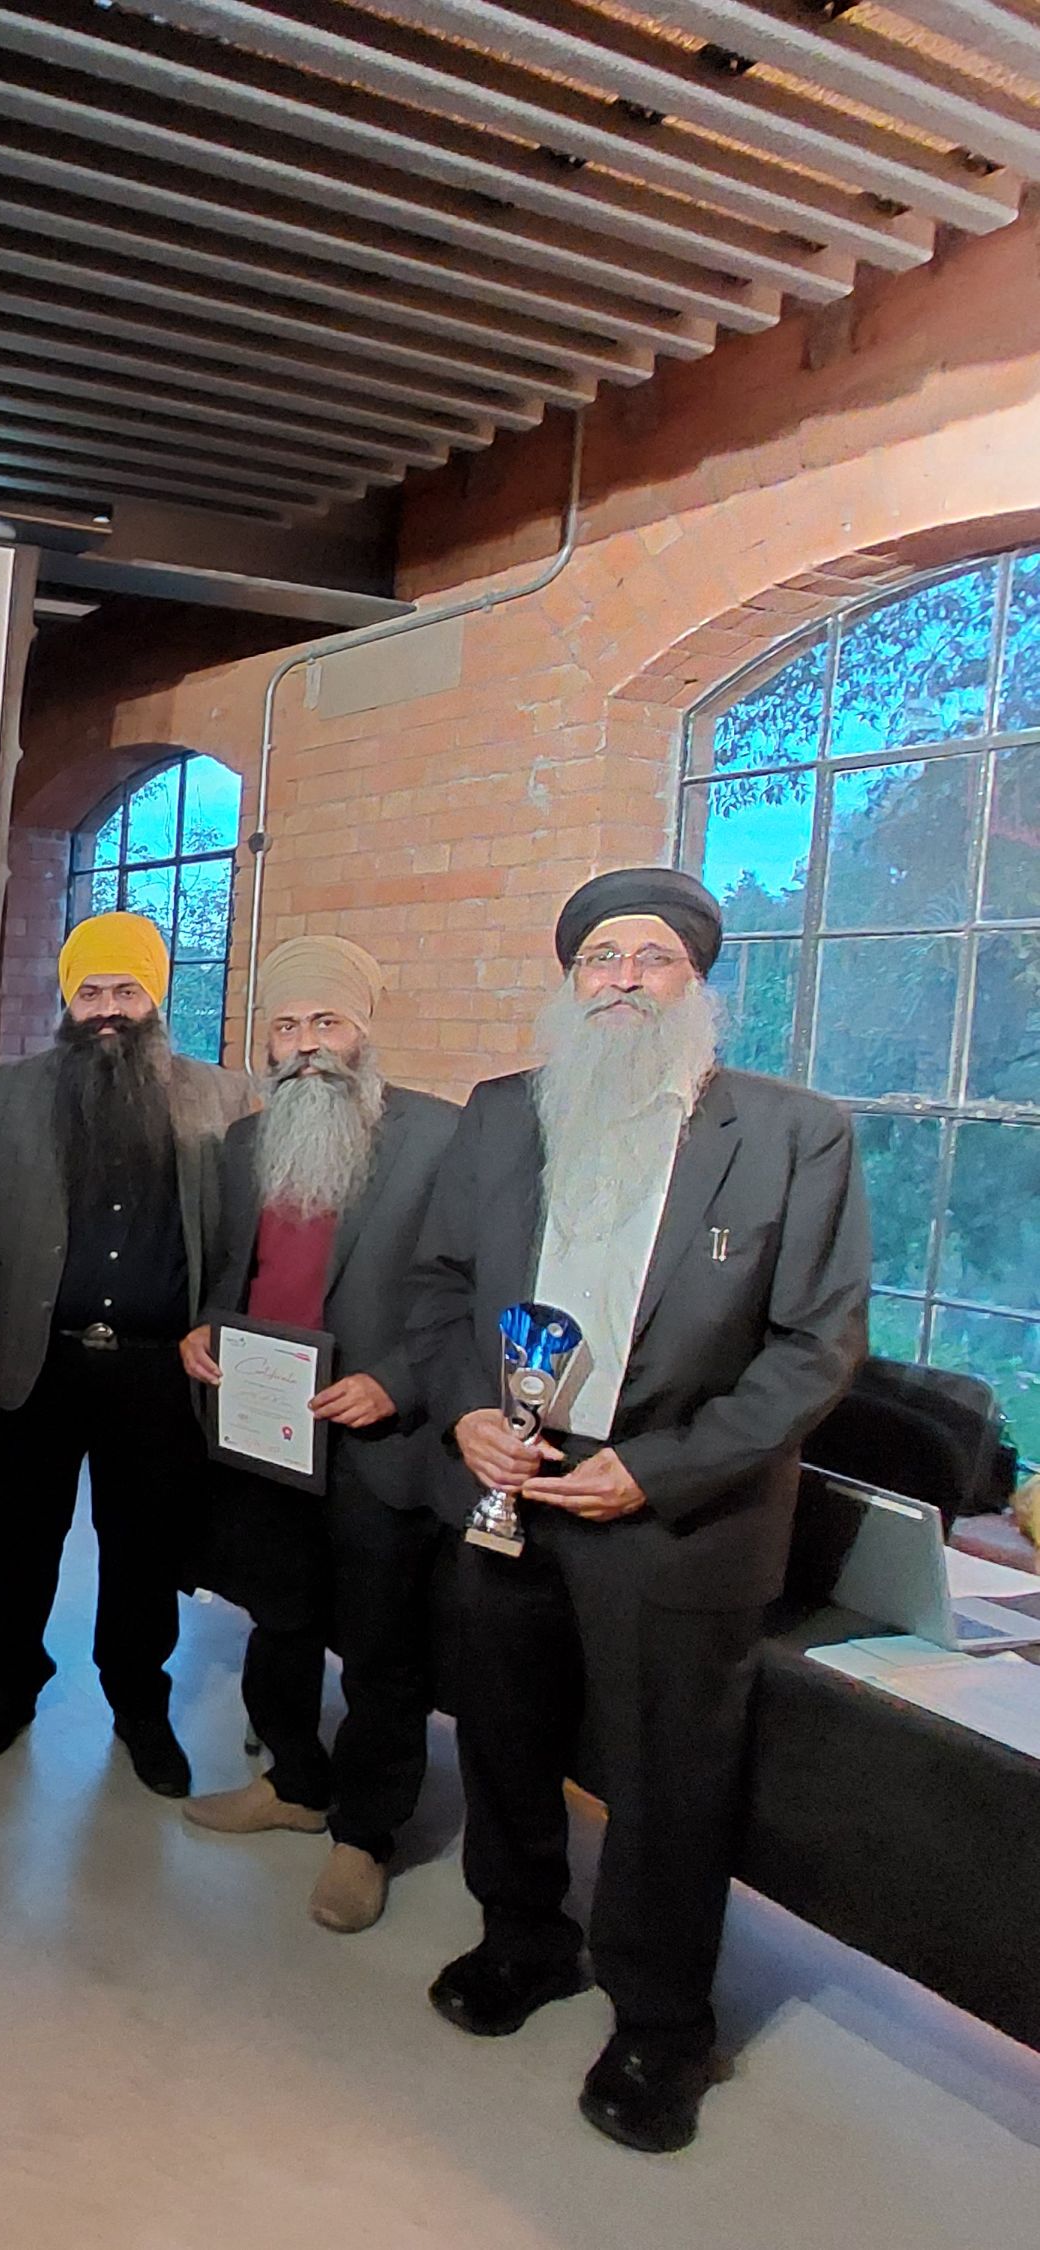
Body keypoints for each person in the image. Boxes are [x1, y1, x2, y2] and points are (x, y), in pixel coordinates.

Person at [402, 869, 867, 2154]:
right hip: (514, 1478)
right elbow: (440, 1292)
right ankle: (523, 1936)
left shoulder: (790, 1134)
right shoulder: (503, 1120)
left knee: (668, 1771)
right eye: (598, 957)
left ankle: (663, 2022)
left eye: (650, 957)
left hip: (678, 1503)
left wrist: (658, 1468)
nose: (621, 978)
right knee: (502, 1727)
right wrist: (464, 1415)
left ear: (695, 985)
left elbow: (814, 1349)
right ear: (569, 985)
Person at [176, 936, 460, 1932]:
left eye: (326, 1024)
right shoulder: (245, 1145)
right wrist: (207, 1328)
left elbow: (471, 1298)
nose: (307, 1048)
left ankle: (364, 1836)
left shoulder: (439, 1140)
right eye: (288, 1027)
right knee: (280, 1619)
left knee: (383, 1652)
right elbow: (233, 1271)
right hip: (268, 1431)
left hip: (379, 1440)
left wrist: (397, 1382)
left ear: (364, 1032)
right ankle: (295, 1781)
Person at [0, 912, 253, 1792]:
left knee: (143, 1545)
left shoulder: (220, 1099)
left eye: (126, 991)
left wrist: (219, 1324)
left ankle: (138, 1700)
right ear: (65, 1000)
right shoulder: (8, 1093)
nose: (107, 1009)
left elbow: (236, 1246)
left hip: (159, 1368)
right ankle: (9, 1680)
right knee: (21, 1534)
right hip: (38, 1359)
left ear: (155, 999)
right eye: (91, 992)